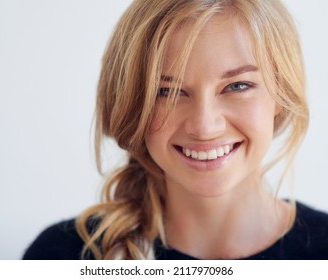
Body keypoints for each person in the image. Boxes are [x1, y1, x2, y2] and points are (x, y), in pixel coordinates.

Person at [23, 0, 328, 260]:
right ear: (131, 102)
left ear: (281, 95)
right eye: (167, 91)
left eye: (238, 86)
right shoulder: (61, 255)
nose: (204, 127)